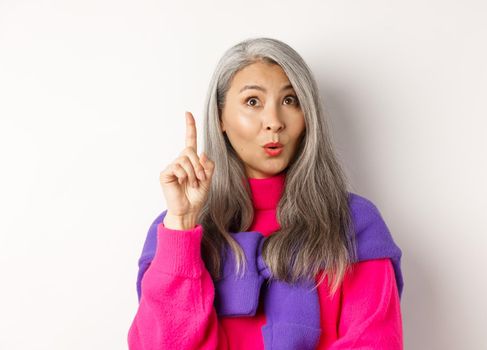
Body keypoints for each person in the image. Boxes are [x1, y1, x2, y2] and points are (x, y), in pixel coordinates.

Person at [127, 37, 404, 349]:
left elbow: (375, 341)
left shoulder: (354, 223)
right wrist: (182, 225)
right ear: (220, 117)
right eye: (252, 102)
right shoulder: (173, 229)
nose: (274, 122)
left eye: (290, 101)